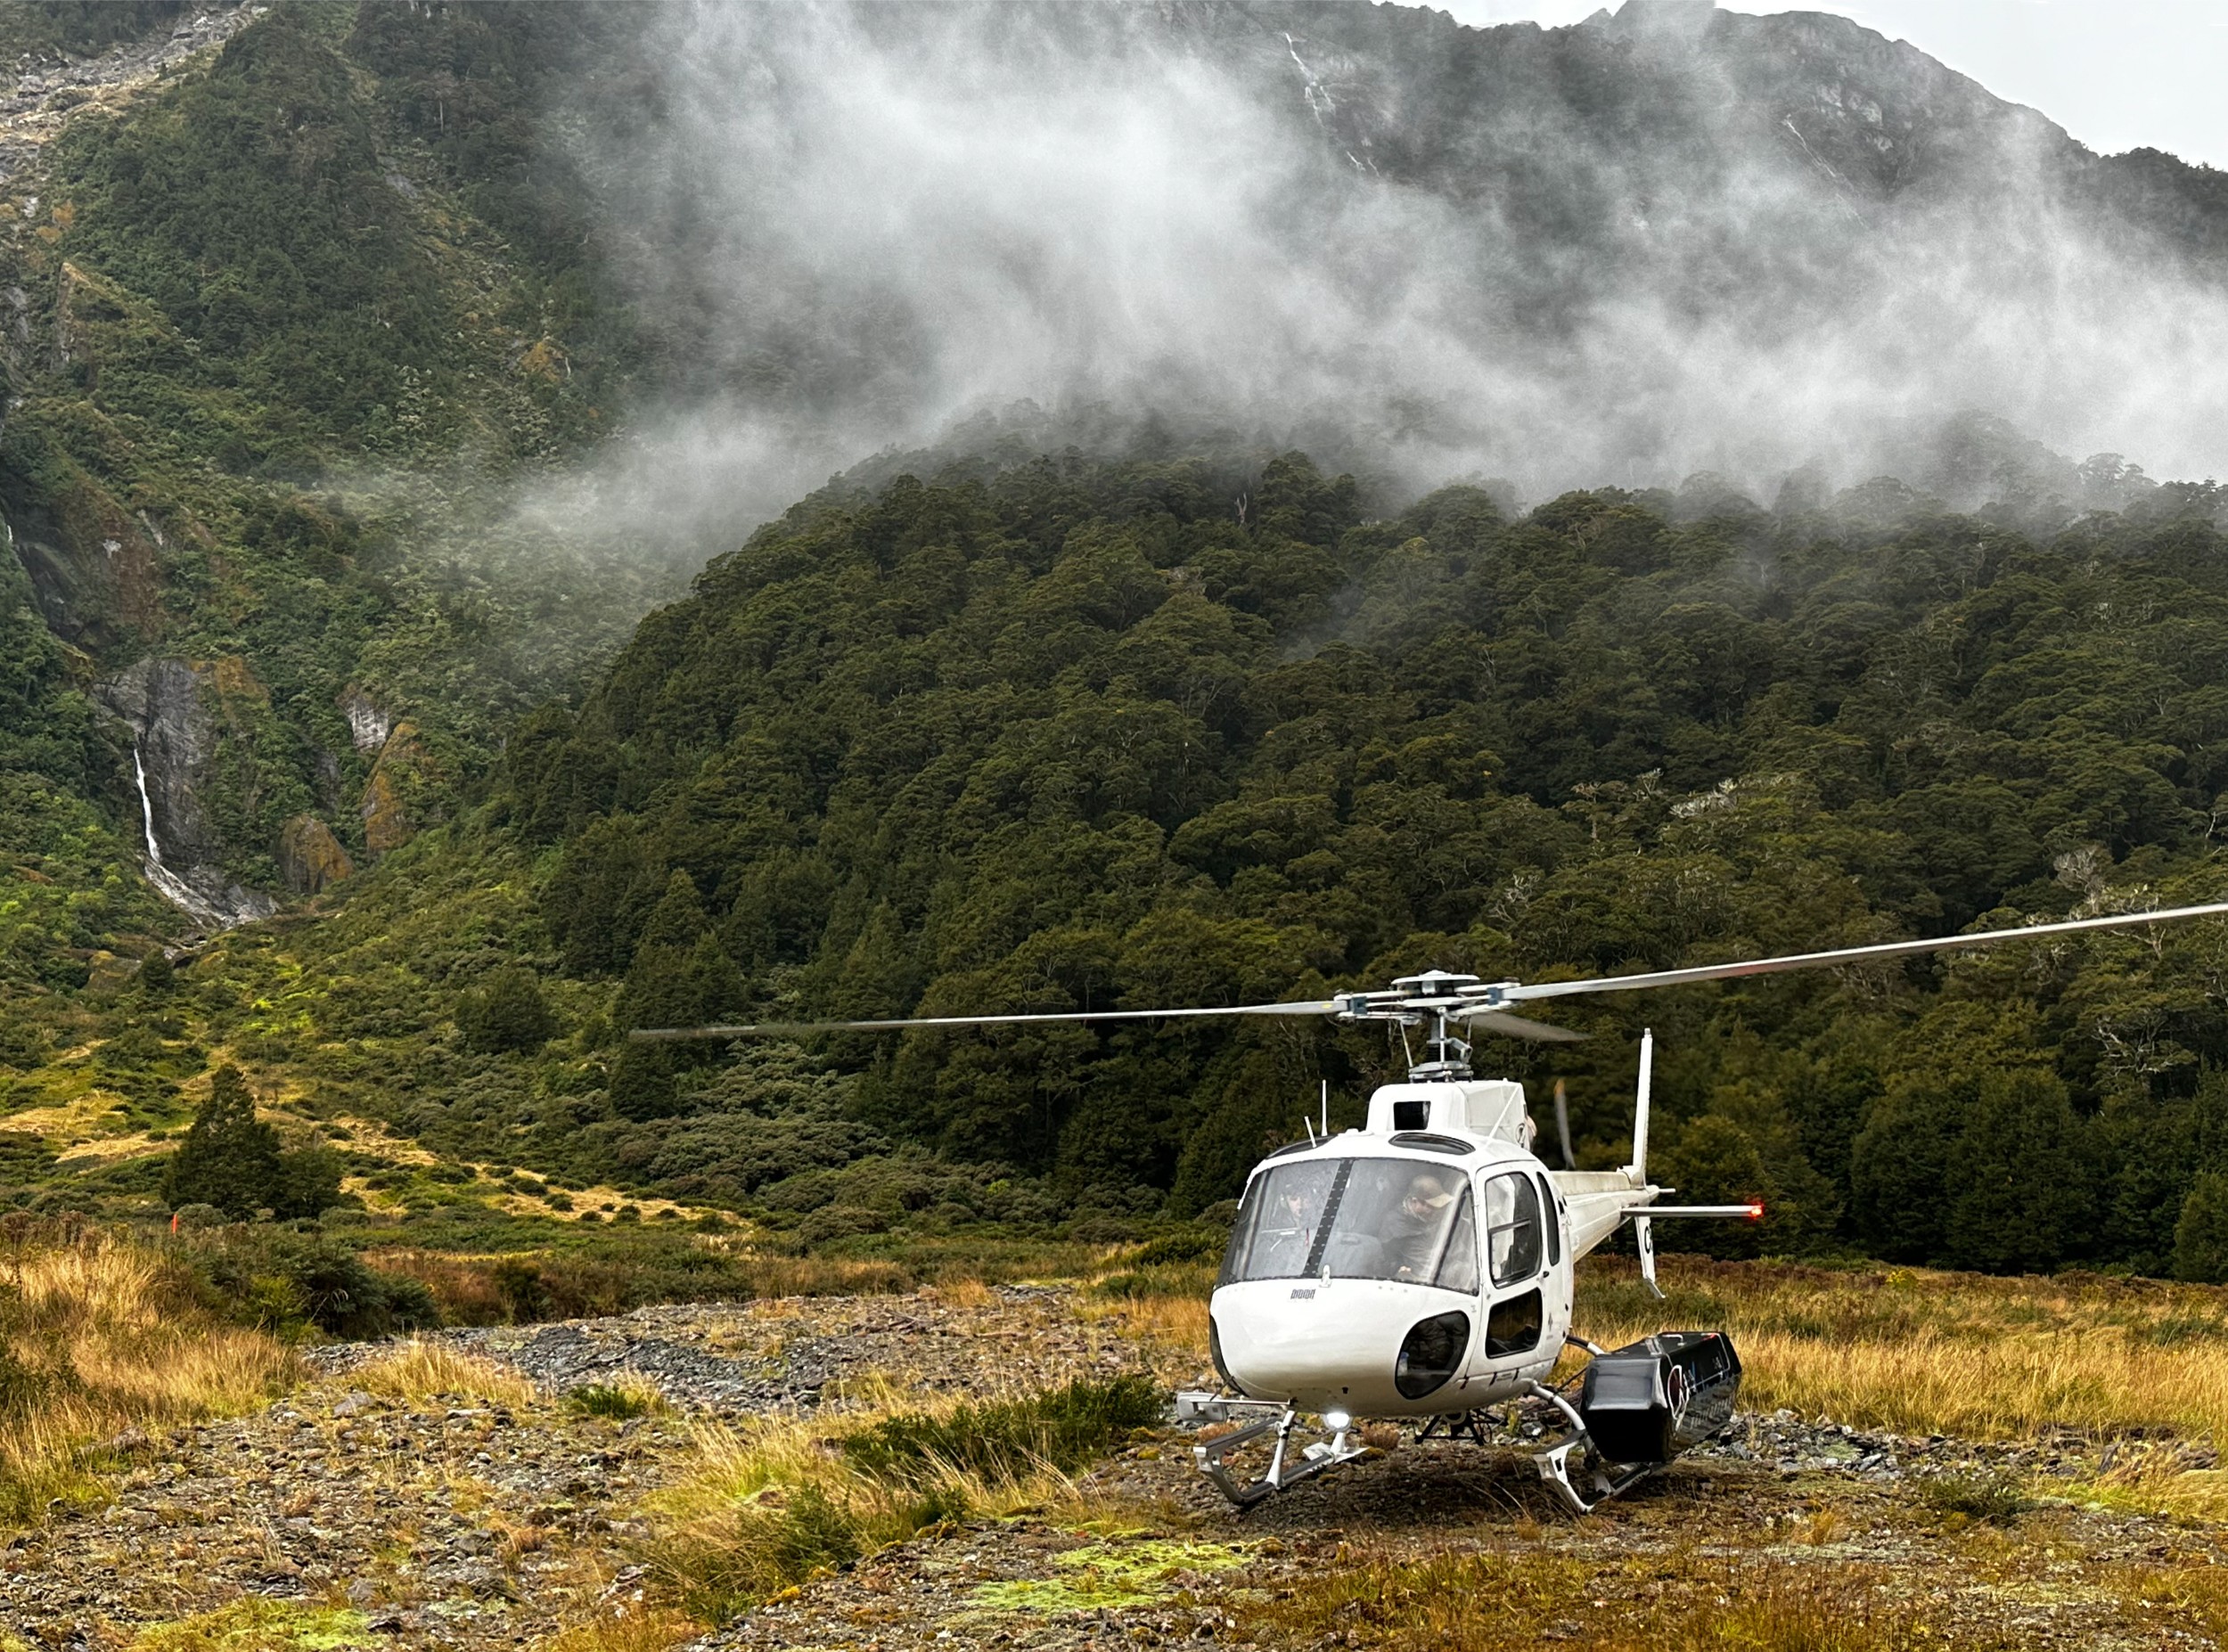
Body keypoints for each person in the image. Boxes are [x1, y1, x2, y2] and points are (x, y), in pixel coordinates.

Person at [1385, 1170, 1454, 1279]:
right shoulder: (1398, 1225)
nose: (1434, 1211)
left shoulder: (1423, 1218)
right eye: (1431, 1207)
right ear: (1414, 1201)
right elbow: (1428, 1266)